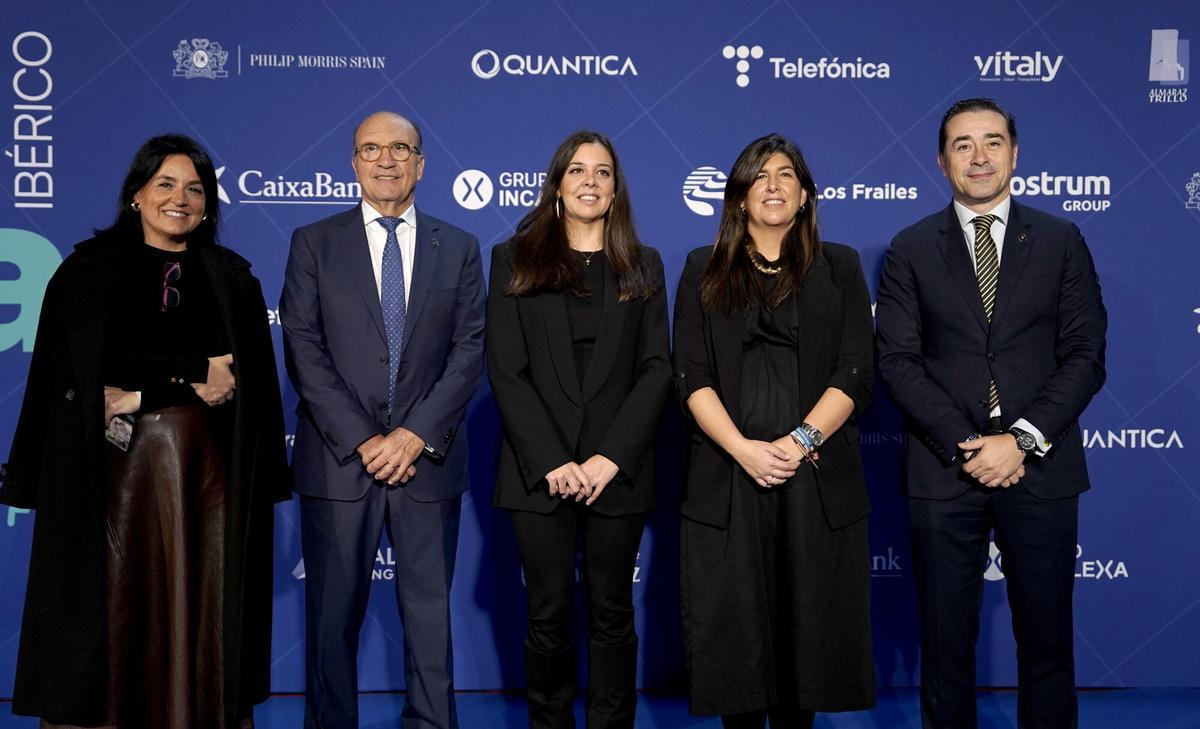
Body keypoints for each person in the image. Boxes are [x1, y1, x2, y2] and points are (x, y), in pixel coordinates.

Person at [0, 134, 290, 728]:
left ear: (209, 204)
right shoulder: (86, 273)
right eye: (165, 184)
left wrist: (135, 393)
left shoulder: (232, 281)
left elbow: (237, 383)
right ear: (136, 194)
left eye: (195, 189)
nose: (179, 199)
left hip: (204, 490)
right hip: (106, 485)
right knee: (109, 617)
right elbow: (78, 373)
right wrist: (185, 374)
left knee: (197, 616)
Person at [875, 98, 1107, 729]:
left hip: (1043, 469)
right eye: (962, 144)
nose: (979, 157)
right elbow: (897, 361)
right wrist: (969, 444)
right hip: (944, 471)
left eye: (992, 142)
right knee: (946, 650)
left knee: (1048, 646)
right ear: (942, 160)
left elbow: (1086, 356)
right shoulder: (910, 248)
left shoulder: (1061, 240)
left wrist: (1022, 439)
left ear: (1015, 153)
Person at [281, 111, 485, 729]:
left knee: (429, 624)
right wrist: (368, 439)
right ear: (354, 163)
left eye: (401, 148)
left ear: (421, 163)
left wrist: (413, 436)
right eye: (372, 149)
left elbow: (470, 349)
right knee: (330, 622)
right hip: (340, 462)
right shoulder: (314, 241)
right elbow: (303, 348)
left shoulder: (461, 247)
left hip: (427, 464)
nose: (387, 160)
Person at [673, 133, 876, 728]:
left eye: (786, 175)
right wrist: (744, 451)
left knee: (808, 642)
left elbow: (856, 370)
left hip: (815, 478)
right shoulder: (701, 268)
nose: (773, 185)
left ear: (807, 195)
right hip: (728, 478)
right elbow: (690, 374)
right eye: (759, 176)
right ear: (737, 197)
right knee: (737, 644)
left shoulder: (840, 265)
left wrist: (798, 443)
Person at [487, 130, 671, 729]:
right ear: (557, 185)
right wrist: (552, 462)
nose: (590, 180)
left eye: (603, 171)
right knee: (547, 611)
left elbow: (655, 370)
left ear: (616, 190)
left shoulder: (643, 265)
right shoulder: (513, 260)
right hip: (537, 473)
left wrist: (608, 458)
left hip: (617, 472)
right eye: (577, 170)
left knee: (613, 611)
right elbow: (506, 371)